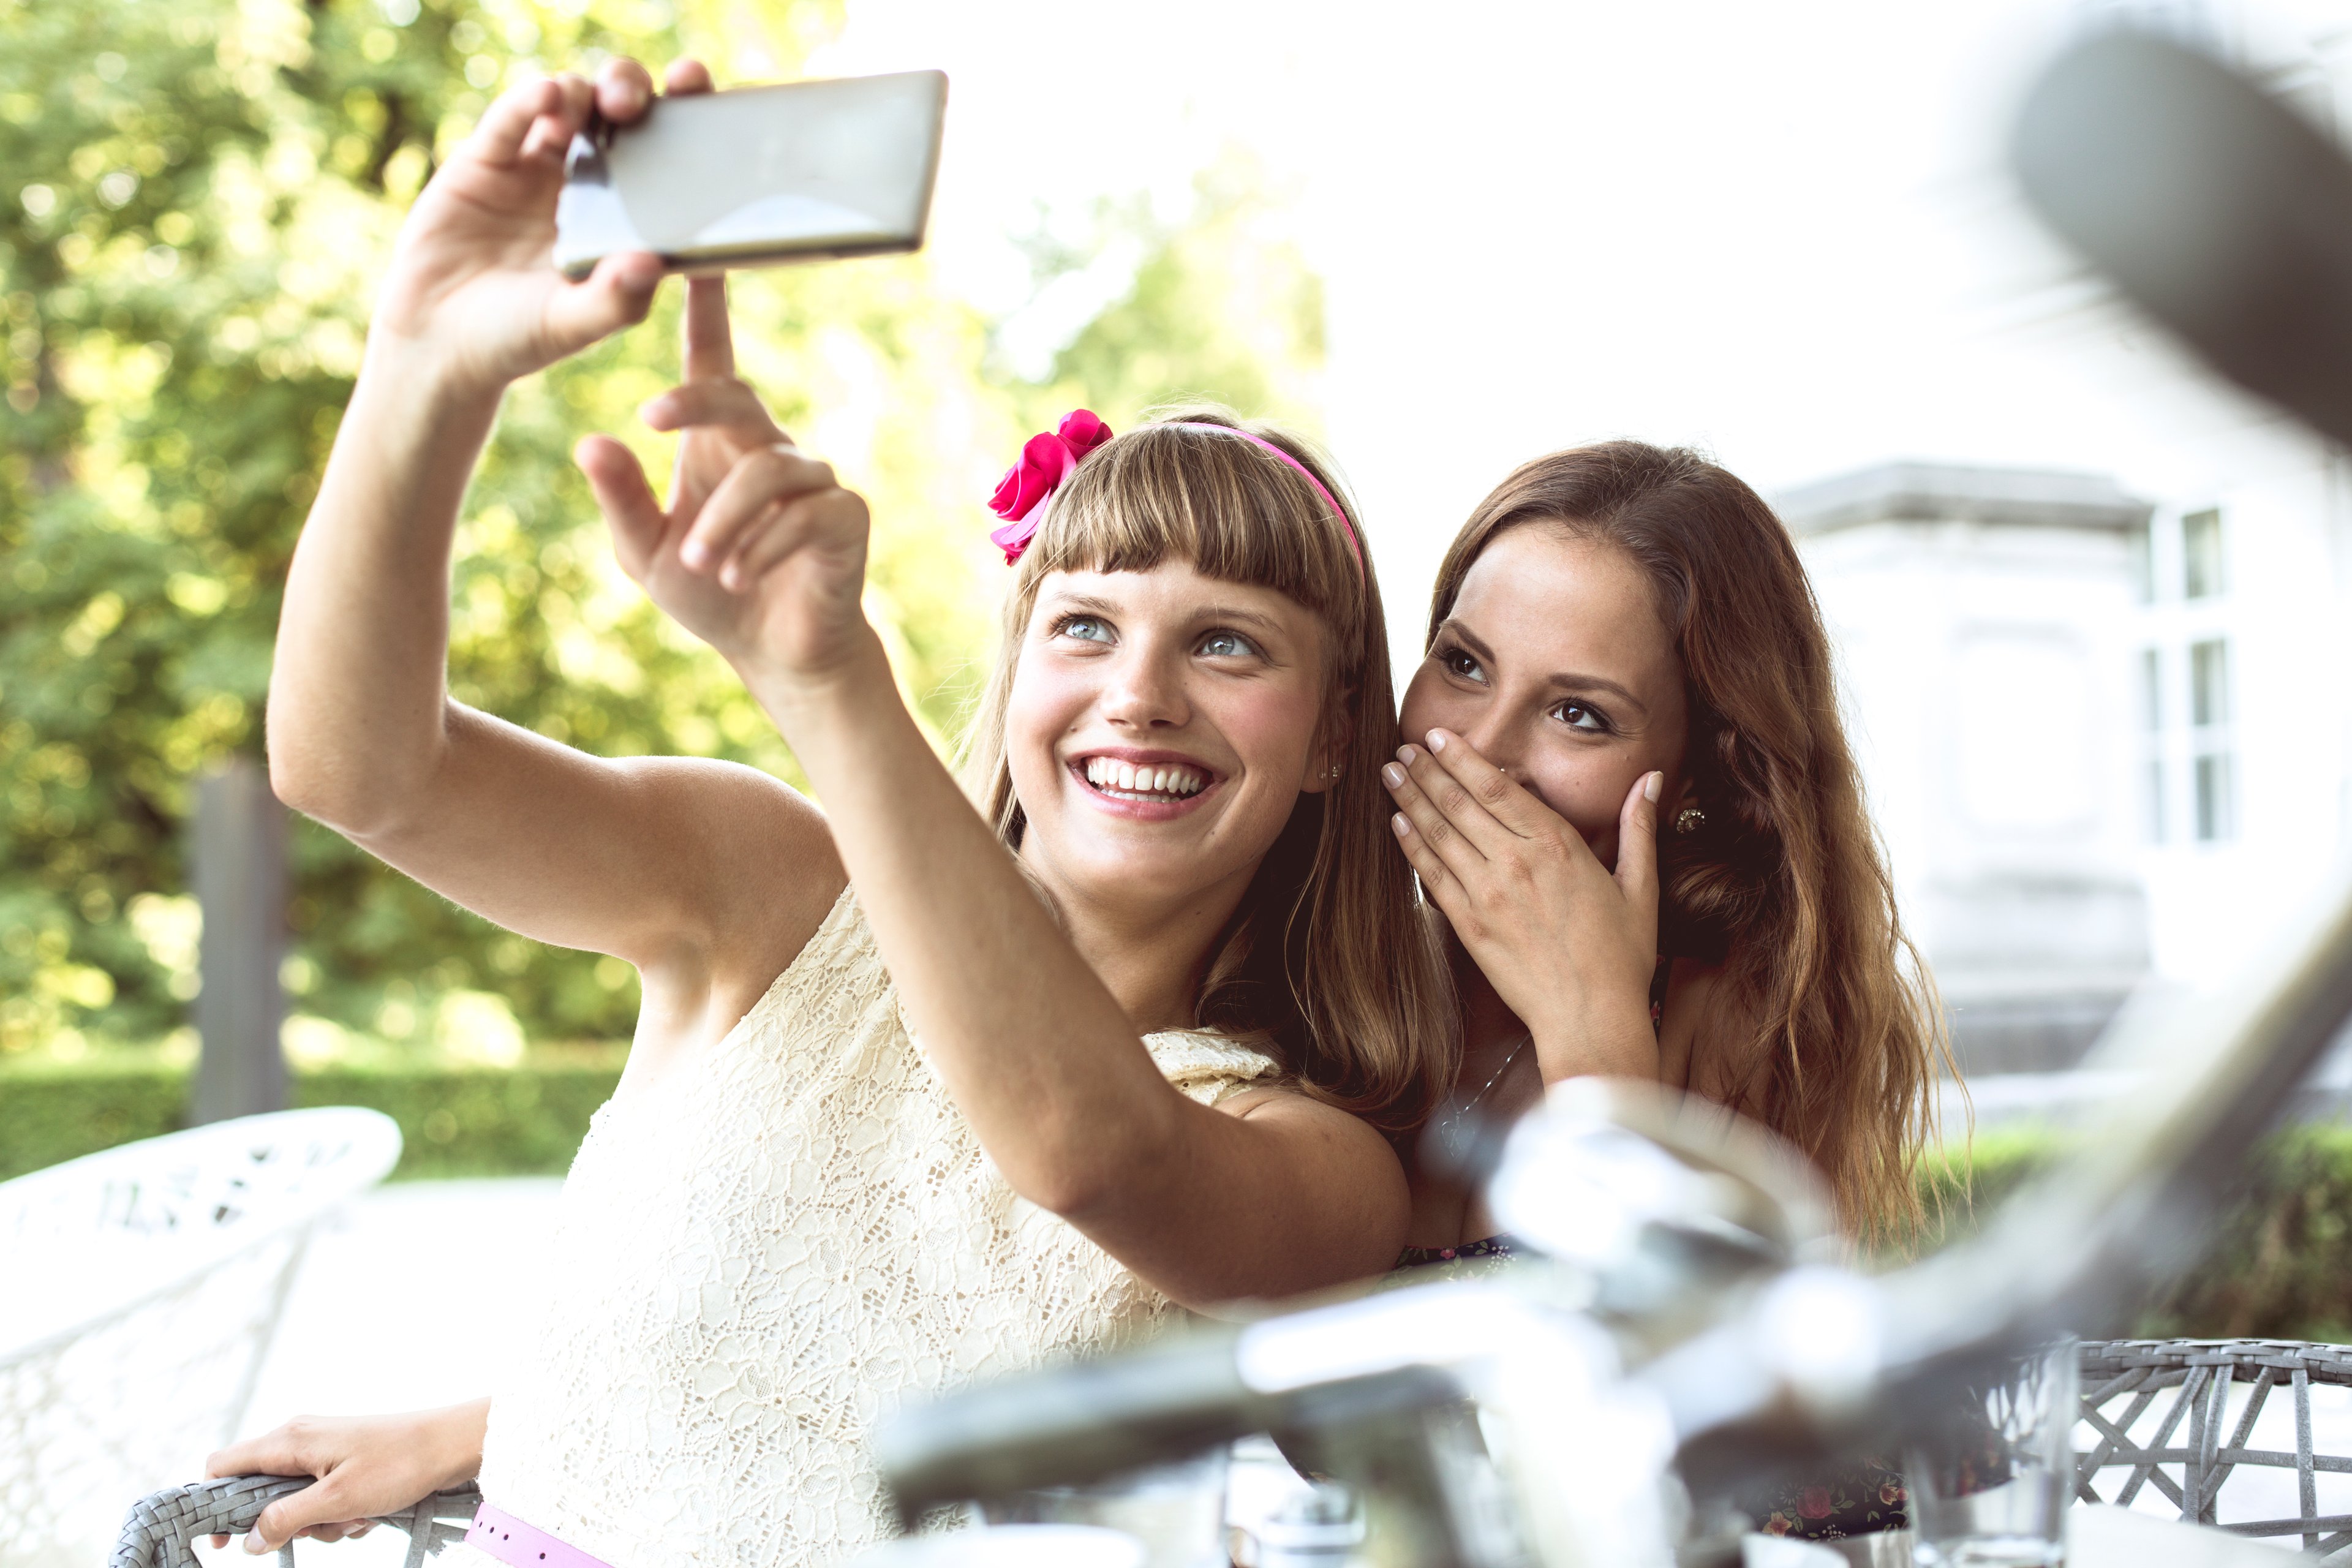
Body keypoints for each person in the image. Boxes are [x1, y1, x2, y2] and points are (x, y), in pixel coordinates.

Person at [211, 56, 1452, 1567]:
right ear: (1016, 668)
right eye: (1085, 625)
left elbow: (1088, 1154)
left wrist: (827, 670)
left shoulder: (1322, 1161)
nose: (1141, 692)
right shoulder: (775, 896)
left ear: (1333, 737)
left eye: (1228, 641)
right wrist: (424, 367)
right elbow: (361, 770)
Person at [1376, 440, 1941, 1541]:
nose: (1478, 749)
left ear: (1692, 779)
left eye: (1578, 713)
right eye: (1464, 662)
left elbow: (1731, 1485)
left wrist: (1592, 1030)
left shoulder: (1735, 1016)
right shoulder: (1345, 972)